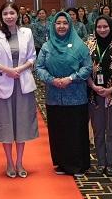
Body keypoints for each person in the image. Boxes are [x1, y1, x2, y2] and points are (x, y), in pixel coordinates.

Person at [35, 11, 92, 176]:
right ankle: (61, 163)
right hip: (54, 95)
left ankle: (78, 165)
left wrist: (71, 78)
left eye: (65, 23)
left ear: (70, 25)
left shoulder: (80, 45)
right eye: (58, 23)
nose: (61, 26)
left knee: (75, 130)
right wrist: (51, 80)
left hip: (75, 95)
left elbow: (87, 67)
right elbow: (39, 67)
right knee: (58, 130)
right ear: (53, 25)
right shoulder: (47, 46)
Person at [0, 1, 38, 178]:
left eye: (12, 13)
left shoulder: (27, 33)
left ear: (18, 15)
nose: (9, 16)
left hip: (22, 83)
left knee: (22, 123)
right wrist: (8, 70)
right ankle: (9, 161)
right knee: (6, 125)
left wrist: (20, 69)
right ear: (1, 16)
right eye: (5, 14)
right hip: (4, 82)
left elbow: (32, 56)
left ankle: (20, 162)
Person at [86, 15, 112, 177]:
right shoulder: (89, 45)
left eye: (105, 26)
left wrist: (110, 89)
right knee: (98, 131)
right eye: (99, 27)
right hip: (94, 94)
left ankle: (111, 163)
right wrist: (93, 86)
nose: (102, 30)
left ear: (111, 27)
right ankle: (100, 162)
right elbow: (85, 70)